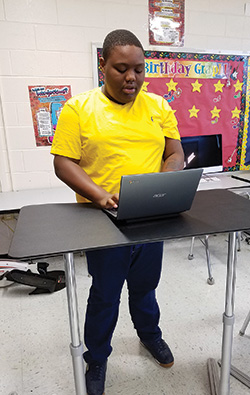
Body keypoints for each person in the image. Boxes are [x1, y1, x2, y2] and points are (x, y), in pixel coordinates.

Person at [51, 29, 184, 395]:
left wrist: (166, 181)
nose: (132, 78)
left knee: (145, 289)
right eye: (122, 69)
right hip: (102, 221)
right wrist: (99, 195)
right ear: (103, 65)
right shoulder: (79, 108)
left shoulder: (158, 106)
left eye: (139, 69)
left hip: (150, 217)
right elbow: (64, 162)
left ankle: (149, 335)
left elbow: (175, 154)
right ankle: (96, 357)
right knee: (106, 294)